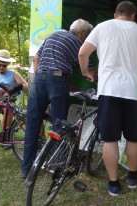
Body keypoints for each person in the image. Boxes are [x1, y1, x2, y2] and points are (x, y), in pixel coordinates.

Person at [78, 1, 137, 196]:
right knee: (133, 138)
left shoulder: (102, 27)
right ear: (133, 15)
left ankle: (113, 183)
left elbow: (83, 53)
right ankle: (132, 177)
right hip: (133, 92)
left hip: (108, 90)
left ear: (116, 14)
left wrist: (85, 72)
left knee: (110, 139)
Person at [21, 19, 94, 178]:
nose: (86, 39)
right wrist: (94, 78)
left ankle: (27, 169)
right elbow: (88, 70)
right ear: (82, 33)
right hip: (57, 81)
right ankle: (57, 167)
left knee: (33, 125)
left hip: (39, 79)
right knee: (59, 125)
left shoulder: (53, 35)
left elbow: (36, 59)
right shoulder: (78, 43)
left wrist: (44, 77)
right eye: (86, 35)